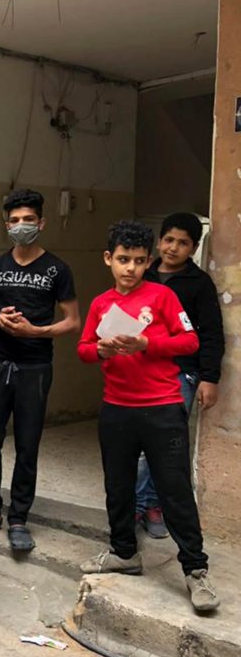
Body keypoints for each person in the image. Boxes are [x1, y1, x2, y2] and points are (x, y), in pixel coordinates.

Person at [77, 220, 217, 614]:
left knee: (174, 490)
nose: (130, 269)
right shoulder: (101, 303)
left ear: (148, 261)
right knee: (117, 486)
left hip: (163, 407)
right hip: (117, 408)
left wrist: (146, 343)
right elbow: (84, 349)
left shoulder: (163, 297)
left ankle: (195, 569)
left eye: (139, 261)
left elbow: (190, 340)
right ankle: (124, 552)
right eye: (123, 260)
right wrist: (101, 351)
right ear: (109, 259)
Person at [0, 189, 80, 553]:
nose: (21, 226)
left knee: (27, 445)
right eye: (14, 221)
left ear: (41, 223)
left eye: (28, 220)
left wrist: (36, 332)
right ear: (6, 224)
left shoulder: (57, 269)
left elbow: (73, 321)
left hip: (35, 367)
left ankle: (19, 519)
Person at [135, 213, 224, 539]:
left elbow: (212, 333)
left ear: (194, 247)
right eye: (169, 240)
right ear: (159, 241)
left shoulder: (199, 284)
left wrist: (209, 378)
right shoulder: (141, 273)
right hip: (138, 371)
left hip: (181, 374)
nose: (174, 247)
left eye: (183, 243)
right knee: (138, 442)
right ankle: (139, 505)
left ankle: (149, 505)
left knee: (165, 445)